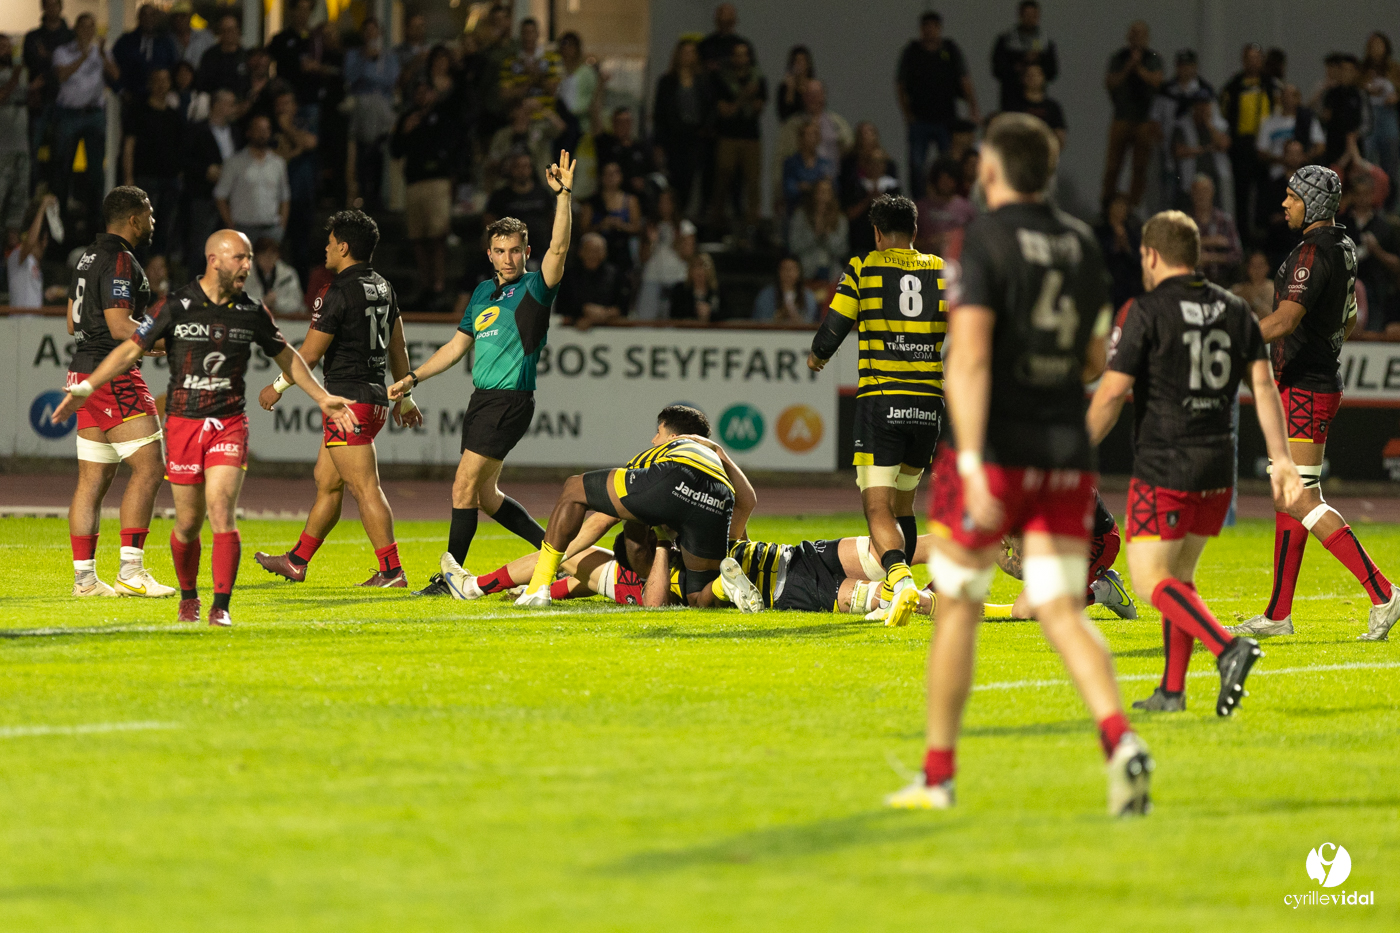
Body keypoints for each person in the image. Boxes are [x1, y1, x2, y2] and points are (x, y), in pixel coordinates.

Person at [888, 114, 1153, 815]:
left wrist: (973, 461)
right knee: (1064, 610)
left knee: (956, 610)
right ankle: (1121, 740)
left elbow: (969, 357)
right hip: (1064, 455)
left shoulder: (983, 238)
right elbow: (1094, 360)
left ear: (992, 169)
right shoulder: (1083, 244)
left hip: (998, 450)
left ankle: (938, 777)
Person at [54, 229, 356, 626]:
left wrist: (321, 397)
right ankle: (189, 598)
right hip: (184, 423)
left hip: (229, 423)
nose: (247, 266)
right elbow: (129, 349)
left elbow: (288, 356)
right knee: (186, 525)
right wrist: (89, 385)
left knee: (221, 511)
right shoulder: (176, 305)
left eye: (249, 258)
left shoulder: (251, 311)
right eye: (240, 258)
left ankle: (220, 607)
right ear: (214, 260)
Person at [1087, 210, 1303, 713]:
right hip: (1217, 470)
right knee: (1179, 577)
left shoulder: (1144, 310)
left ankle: (1228, 648)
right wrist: (1282, 459)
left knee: (1150, 581)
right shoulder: (1235, 309)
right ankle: (1172, 690)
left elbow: (1112, 394)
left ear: (1151, 255)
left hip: (1165, 464)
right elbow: (1263, 387)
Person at [387, 153, 576, 598]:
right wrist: (413, 378)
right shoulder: (482, 294)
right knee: (487, 496)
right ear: (489, 254)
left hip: (510, 399)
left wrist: (564, 196)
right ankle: (559, 560)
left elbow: (559, 249)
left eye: (516, 250)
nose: (508, 258)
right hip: (483, 401)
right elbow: (455, 349)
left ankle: (451, 577)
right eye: (500, 250)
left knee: (463, 485)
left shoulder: (535, 288)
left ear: (526, 252)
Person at [1229, 165, 1399, 640]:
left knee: (1299, 496)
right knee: (1289, 495)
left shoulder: (1312, 251)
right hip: (1315, 380)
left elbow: (1284, 320)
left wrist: (1231, 337)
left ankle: (1383, 592)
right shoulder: (1342, 246)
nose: (1284, 203)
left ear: (1313, 203)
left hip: (1306, 385)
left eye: (1292, 196)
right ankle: (1277, 614)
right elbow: (1348, 320)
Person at [255, 212, 421, 587]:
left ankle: (392, 571)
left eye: (330, 243)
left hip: (348, 403)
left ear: (344, 247)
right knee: (327, 483)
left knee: (365, 487)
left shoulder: (337, 291)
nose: (326, 249)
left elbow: (309, 355)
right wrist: (405, 396)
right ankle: (296, 561)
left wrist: (276, 386)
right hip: (373, 399)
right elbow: (398, 347)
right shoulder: (384, 287)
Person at [808, 194, 945, 628]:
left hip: (882, 401)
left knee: (877, 506)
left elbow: (835, 326)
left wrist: (817, 356)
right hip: (928, 404)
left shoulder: (864, 267)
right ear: (915, 232)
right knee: (904, 505)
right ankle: (893, 591)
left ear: (877, 233)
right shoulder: (942, 271)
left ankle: (900, 582)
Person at [507, 406, 756, 609]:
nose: (653, 440)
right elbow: (747, 503)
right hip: (718, 499)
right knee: (698, 597)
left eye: (658, 432)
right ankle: (724, 586)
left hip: (675, 479)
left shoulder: (665, 453)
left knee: (574, 488)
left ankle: (536, 588)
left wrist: (554, 563)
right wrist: (719, 451)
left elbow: (600, 522)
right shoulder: (717, 461)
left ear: (672, 438)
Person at [59, 187, 170, 600]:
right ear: (134, 219)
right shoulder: (121, 259)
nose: (154, 221)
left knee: (93, 479)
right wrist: (167, 342)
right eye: (150, 214)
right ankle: (131, 572)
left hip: (82, 371)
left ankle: (85, 581)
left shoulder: (87, 257)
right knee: (150, 467)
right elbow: (122, 326)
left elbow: (71, 323)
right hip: (112, 374)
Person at [993, 491, 1137, 621]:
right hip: (1062, 546)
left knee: (1037, 611)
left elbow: (1021, 569)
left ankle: (1105, 590)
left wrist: (997, 551)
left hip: (1095, 543)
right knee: (1021, 611)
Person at [897, 11, 978, 199]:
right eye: (926, 27)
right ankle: (919, 202)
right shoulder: (912, 52)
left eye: (934, 27)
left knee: (950, 164)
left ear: (939, 28)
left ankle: (952, 201)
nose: (930, 31)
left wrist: (973, 108)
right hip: (920, 119)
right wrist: (907, 114)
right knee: (917, 165)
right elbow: (900, 85)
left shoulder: (949, 50)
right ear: (921, 29)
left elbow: (964, 80)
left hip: (946, 119)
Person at [51, 13, 120, 229]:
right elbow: (61, 75)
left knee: (96, 171)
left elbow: (115, 76)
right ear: (76, 28)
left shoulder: (102, 51)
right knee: (63, 168)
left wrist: (102, 55)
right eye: (84, 26)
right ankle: (60, 219)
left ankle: (94, 221)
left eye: (92, 26)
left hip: (93, 115)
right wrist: (83, 56)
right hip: (69, 114)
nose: (88, 31)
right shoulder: (63, 51)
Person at [391, 81, 456, 303]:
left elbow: (452, 145)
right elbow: (395, 151)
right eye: (417, 92)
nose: (421, 96)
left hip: (437, 180)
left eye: (425, 91)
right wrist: (404, 131)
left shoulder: (444, 117)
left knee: (437, 236)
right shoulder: (407, 118)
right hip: (414, 182)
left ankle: (439, 284)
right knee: (417, 236)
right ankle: (426, 285)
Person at [1102, 21, 1164, 209]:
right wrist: (1129, 67)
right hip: (1122, 116)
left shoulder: (1153, 58)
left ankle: (1134, 207)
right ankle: (1107, 204)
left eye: (1141, 34)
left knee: (1140, 167)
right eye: (1134, 33)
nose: (1137, 37)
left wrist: (1139, 69)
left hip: (1144, 119)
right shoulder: (1119, 57)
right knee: (1113, 165)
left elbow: (1157, 81)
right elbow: (1110, 82)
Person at [121, 68, 183, 258]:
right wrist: (129, 177)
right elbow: (129, 145)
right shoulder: (138, 112)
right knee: (143, 228)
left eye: (165, 80)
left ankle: (158, 265)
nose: (161, 85)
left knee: (165, 227)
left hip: (169, 179)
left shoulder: (174, 115)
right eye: (157, 80)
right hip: (145, 178)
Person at [1219, 43, 1278, 233]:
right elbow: (1224, 114)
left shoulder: (1271, 85)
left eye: (1257, 58)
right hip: (1241, 146)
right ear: (1243, 60)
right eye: (1249, 58)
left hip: (1266, 147)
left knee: (1265, 192)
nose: (1253, 62)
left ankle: (1264, 234)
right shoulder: (1233, 86)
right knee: (1242, 194)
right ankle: (1243, 236)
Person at [709, 41, 766, 237]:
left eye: (744, 54)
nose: (741, 58)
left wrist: (744, 101)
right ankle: (717, 221)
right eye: (737, 54)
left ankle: (752, 224)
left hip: (751, 138)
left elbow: (758, 108)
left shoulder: (758, 78)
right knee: (723, 177)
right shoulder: (722, 79)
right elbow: (725, 111)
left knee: (753, 181)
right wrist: (744, 96)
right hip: (728, 137)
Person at [343, 18, 399, 212]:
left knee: (379, 150)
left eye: (374, 31)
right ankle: (362, 193)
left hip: (381, 110)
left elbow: (391, 80)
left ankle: (378, 195)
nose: (371, 35)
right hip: (361, 110)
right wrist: (364, 61)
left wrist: (368, 76)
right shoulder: (354, 55)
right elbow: (349, 77)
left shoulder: (389, 57)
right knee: (361, 151)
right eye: (367, 31)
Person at [652, 39, 710, 217]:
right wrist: (659, 143)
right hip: (674, 139)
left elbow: (709, 108)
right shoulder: (667, 82)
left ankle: (686, 216)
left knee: (692, 181)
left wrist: (705, 129)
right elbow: (660, 114)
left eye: (691, 52)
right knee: (673, 180)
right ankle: (671, 216)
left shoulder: (702, 81)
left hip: (695, 139)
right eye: (685, 52)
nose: (688, 56)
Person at [184, 88, 238, 276]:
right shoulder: (197, 130)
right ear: (217, 105)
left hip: (230, 198)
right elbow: (185, 160)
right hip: (204, 195)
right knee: (201, 245)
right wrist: (205, 170)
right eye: (229, 104)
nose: (233, 108)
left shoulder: (235, 131)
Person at [1338, 171, 1400, 332]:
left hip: (1376, 292)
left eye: (1366, 194)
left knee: (1372, 334)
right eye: (1358, 194)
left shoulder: (1385, 226)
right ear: (1352, 195)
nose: (1362, 198)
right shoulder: (1340, 224)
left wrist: (1377, 251)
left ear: (1372, 194)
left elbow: (1396, 265)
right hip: (1343, 292)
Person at [23, 0, 74, 195]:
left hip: (65, 102)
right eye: (48, 4)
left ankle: (58, 199)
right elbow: (32, 63)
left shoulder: (70, 36)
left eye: (55, 4)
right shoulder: (33, 37)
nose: (52, 8)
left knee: (62, 155)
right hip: (39, 102)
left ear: (61, 7)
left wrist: (48, 56)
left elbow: (69, 67)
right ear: (43, 7)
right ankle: (32, 198)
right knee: (33, 155)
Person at [215, 114, 289, 245]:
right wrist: (230, 224)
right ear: (249, 132)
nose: (263, 134)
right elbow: (220, 195)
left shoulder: (278, 163)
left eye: (266, 130)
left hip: (271, 230)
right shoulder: (234, 163)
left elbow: (285, 197)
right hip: (243, 228)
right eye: (258, 129)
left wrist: (281, 226)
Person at [485, 150, 557, 269]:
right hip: (511, 254)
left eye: (525, 166)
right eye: (517, 166)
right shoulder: (500, 197)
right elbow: (489, 224)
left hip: (542, 252)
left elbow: (553, 220)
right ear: (510, 169)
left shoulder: (543, 193)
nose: (522, 171)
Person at [991, 0, 1057, 112]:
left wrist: (1037, 68)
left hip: (1037, 101)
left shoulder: (1045, 44)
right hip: (1011, 97)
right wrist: (1018, 66)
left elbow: (1052, 70)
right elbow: (998, 69)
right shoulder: (1006, 41)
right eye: (1027, 15)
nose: (1030, 19)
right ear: (1020, 15)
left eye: (1033, 16)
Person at [841, 137, 901, 258]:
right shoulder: (855, 186)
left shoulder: (893, 187)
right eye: (872, 162)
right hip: (860, 248)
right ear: (865, 165)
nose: (876, 166)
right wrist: (868, 200)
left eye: (879, 162)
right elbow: (849, 215)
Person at [555, 231, 627, 329]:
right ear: (580, 252)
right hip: (574, 329)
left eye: (597, 251)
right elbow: (561, 307)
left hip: (611, 329)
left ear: (605, 253)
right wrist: (583, 311)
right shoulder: (568, 277)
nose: (593, 255)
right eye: (589, 250)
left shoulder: (616, 275)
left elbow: (623, 307)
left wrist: (604, 313)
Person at [584, 161, 643, 275]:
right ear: (601, 177)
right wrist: (601, 226)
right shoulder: (591, 203)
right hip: (597, 256)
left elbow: (637, 228)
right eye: (607, 174)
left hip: (623, 253)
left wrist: (620, 225)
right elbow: (583, 231)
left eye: (615, 173)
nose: (611, 177)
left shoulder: (631, 201)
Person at [1256, 84, 1325, 179]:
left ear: (1299, 98)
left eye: (1292, 95)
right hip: (1277, 176)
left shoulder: (1308, 120)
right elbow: (1261, 151)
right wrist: (1281, 160)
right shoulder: (1269, 123)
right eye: (1285, 96)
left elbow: (1320, 146)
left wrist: (1302, 158)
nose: (1288, 99)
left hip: (1303, 175)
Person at [111, 3, 179, 100]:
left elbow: (174, 68)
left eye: (152, 15)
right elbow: (112, 66)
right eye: (144, 15)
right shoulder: (126, 41)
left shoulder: (166, 43)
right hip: (132, 98)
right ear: (139, 18)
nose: (148, 19)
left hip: (160, 99)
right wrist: (120, 90)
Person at [0, 34, 30, 241]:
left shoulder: (20, 73)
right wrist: (16, 75)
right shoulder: (16, 74)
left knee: (18, 203)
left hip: (21, 146)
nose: (5, 50)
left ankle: (12, 249)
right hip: (3, 149)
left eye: (7, 46)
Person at [789, 178, 848, 282]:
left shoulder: (840, 219)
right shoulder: (801, 216)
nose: (823, 195)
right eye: (820, 191)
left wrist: (827, 236)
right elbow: (793, 246)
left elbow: (843, 250)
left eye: (827, 191)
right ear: (814, 193)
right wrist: (814, 235)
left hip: (831, 272)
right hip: (806, 269)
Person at [7, 194, 59, 309]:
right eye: (44, 242)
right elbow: (30, 242)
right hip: (19, 319)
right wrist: (42, 207)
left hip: (34, 319)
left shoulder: (35, 267)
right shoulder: (16, 256)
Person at [1188, 174, 1242, 284]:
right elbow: (1178, 253)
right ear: (1192, 194)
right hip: (1193, 282)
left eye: (1205, 191)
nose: (1202, 195)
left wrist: (1211, 258)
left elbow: (1237, 255)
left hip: (1222, 281)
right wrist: (1209, 241)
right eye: (1198, 191)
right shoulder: (1184, 222)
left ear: (1212, 193)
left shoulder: (1224, 220)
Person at [1095, 193, 1143, 309]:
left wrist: (1127, 247)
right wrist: (1114, 246)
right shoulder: (1099, 230)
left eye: (1123, 206)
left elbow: (1139, 262)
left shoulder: (1134, 232)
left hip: (1127, 290)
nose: (1119, 210)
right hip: (1102, 287)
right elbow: (1096, 259)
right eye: (1116, 206)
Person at [594, 108, 652, 200]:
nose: (623, 125)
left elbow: (649, 171)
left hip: (636, 198)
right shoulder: (605, 144)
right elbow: (595, 121)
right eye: (619, 122)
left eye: (626, 121)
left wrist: (642, 182)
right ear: (613, 123)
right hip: (610, 198)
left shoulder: (640, 148)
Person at [781, 119, 836, 214]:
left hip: (820, 212)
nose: (812, 139)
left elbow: (834, 188)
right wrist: (816, 186)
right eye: (809, 135)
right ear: (801, 138)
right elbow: (789, 189)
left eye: (815, 135)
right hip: (797, 210)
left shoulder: (825, 164)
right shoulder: (791, 163)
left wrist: (807, 186)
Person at [240, 236, 303, 314]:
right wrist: (262, 302)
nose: (268, 259)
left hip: (283, 318)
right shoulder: (245, 274)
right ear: (256, 257)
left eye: (272, 255)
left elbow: (296, 303)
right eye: (264, 255)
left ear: (277, 256)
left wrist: (276, 302)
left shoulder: (288, 274)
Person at [1009, 63, 1065, 150]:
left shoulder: (1052, 107)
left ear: (1043, 77)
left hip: (1045, 153)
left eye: (1036, 75)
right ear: (1022, 78)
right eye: (1029, 75)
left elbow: (1060, 137)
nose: (1033, 78)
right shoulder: (1014, 106)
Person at [753, 255, 817, 323]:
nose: (788, 273)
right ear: (778, 271)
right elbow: (759, 321)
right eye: (784, 269)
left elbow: (812, 321)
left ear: (799, 272)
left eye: (792, 269)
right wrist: (779, 316)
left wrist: (796, 317)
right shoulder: (766, 295)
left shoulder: (808, 296)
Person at [195, 14, 248, 96]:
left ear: (237, 31)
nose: (228, 34)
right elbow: (203, 82)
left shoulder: (245, 56)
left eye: (231, 30)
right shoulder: (210, 56)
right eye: (224, 30)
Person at [697, 3, 751, 72]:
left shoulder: (742, 46)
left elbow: (752, 69)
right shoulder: (705, 44)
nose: (725, 21)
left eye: (728, 20)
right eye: (722, 19)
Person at [668, 253, 719, 323]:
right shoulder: (680, 290)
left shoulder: (718, 291)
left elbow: (727, 316)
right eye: (695, 267)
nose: (699, 271)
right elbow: (674, 315)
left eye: (703, 266)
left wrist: (710, 313)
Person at [169, 2, 214, 70]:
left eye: (183, 16)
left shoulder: (205, 37)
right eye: (176, 17)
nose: (179, 19)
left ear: (189, 17)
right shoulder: (168, 40)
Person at [777, 46, 814, 122]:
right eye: (796, 61)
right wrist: (790, 90)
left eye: (802, 60)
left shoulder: (814, 86)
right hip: (791, 125)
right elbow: (784, 114)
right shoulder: (785, 87)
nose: (799, 64)